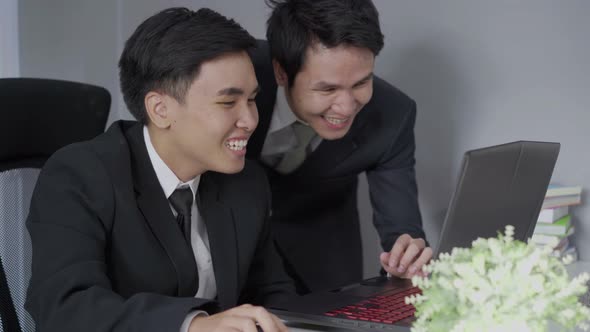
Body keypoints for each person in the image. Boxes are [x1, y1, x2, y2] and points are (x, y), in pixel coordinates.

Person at [25, 7, 293, 332]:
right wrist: (192, 326)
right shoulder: (79, 177)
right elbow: (64, 307)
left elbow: (273, 295)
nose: (250, 120)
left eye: (251, 100)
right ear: (160, 109)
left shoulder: (247, 182)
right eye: (228, 103)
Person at [246, 0, 433, 294]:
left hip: (321, 251)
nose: (346, 108)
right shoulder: (234, 70)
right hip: (221, 244)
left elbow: (402, 228)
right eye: (327, 89)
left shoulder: (394, 114)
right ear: (281, 72)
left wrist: (408, 255)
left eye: (361, 83)